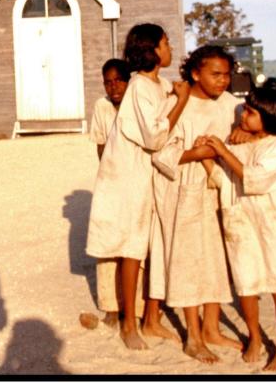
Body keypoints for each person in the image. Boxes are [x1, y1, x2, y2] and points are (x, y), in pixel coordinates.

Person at [198, 87, 276, 371]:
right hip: (240, 221)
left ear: (269, 118)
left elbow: (257, 179)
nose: (244, 115)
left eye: (251, 113)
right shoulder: (240, 143)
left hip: (273, 225)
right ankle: (254, 336)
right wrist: (208, 157)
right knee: (246, 283)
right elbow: (225, 179)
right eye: (246, 110)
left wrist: (224, 151)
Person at [85, 23, 190, 350]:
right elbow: (155, 136)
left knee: (150, 247)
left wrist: (173, 93)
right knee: (130, 250)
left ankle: (151, 319)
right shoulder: (139, 88)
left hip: (146, 177)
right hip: (126, 180)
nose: (170, 47)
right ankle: (129, 323)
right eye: (166, 42)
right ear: (153, 50)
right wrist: (182, 100)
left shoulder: (156, 86)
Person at [148, 46, 243, 362]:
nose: (223, 81)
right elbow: (158, 151)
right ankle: (193, 334)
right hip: (185, 188)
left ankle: (212, 328)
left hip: (222, 189)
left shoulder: (232, 106)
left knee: (217, 257)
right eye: (216, 74)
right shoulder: (179, 104)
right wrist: (195, 154)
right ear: (195, 73)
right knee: (190, 259)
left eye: (227, 74)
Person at [87, 59, 142, 327]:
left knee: (135, 245)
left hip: (138, 182)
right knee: (108, 245)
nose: (114, 87)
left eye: (119, 80)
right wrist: (110, 178)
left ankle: (137, 308)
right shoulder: (102, 107)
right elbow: (100, 145)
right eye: (108, 82)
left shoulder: (137, 106)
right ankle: (110, 307)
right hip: (110, 183)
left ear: (129, 81)